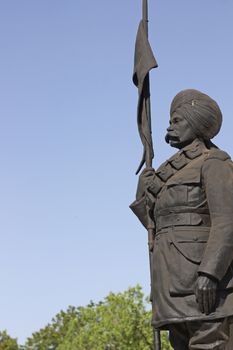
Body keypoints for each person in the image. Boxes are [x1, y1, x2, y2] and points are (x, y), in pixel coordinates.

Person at [130, 89, 233, 350]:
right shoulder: (166, 173)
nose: (169, 126)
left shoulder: (214, 163)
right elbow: (155, 225)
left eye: (177, 121)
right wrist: (143, 190)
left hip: (204, 284)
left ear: (196, 122)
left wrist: (210, 273)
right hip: (171, 283)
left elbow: (227, 222)